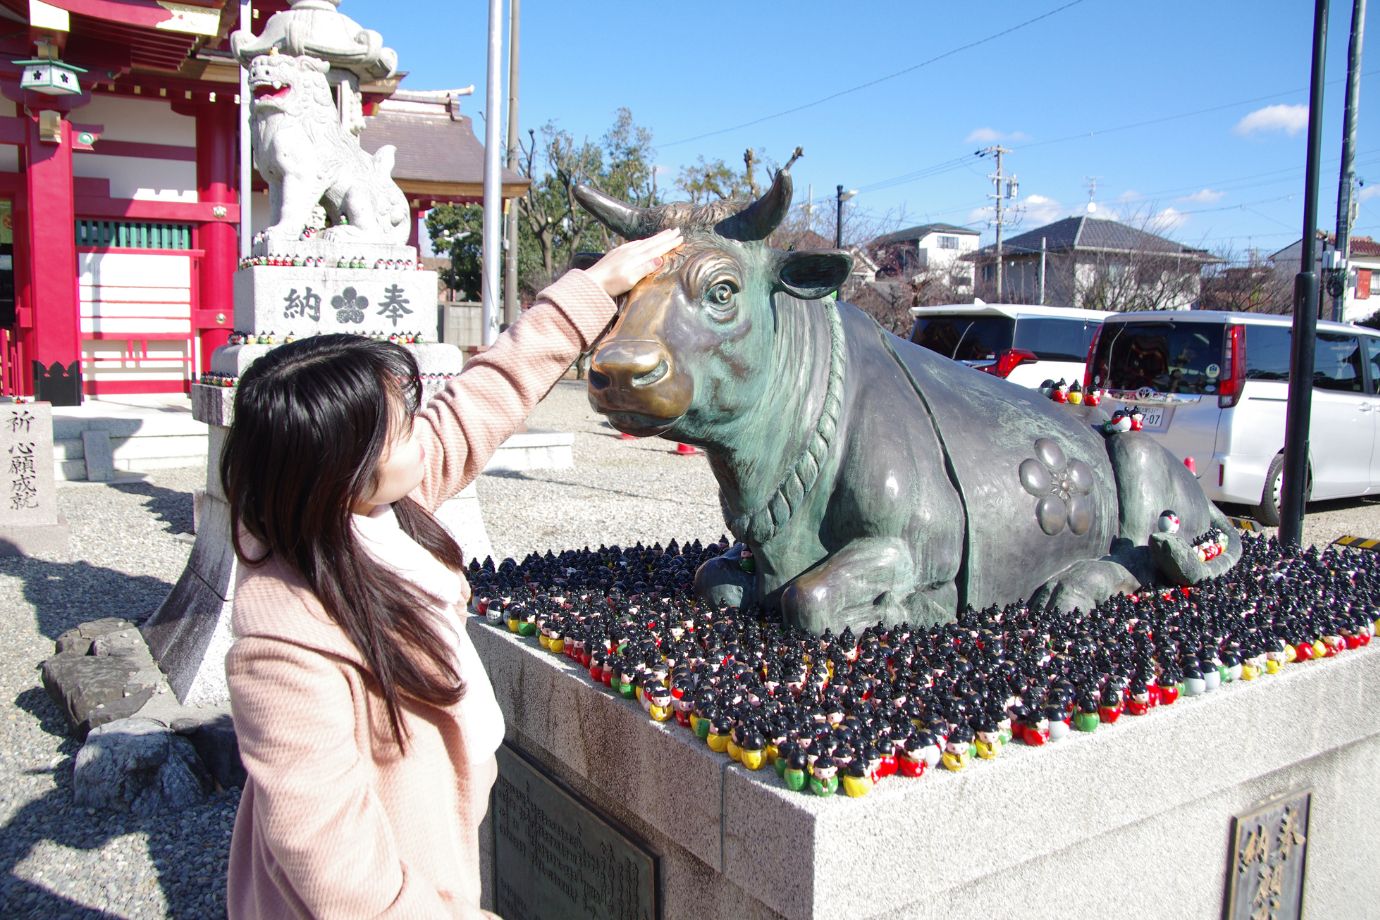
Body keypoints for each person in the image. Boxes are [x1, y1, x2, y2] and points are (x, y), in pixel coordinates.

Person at [220, 228, 682, 919]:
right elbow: (336, 866)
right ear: (341, 472)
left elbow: (482, 396)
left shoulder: (371, 513)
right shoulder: (283, 652)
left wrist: (592, 290)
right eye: (404, 428)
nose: (425, 428)